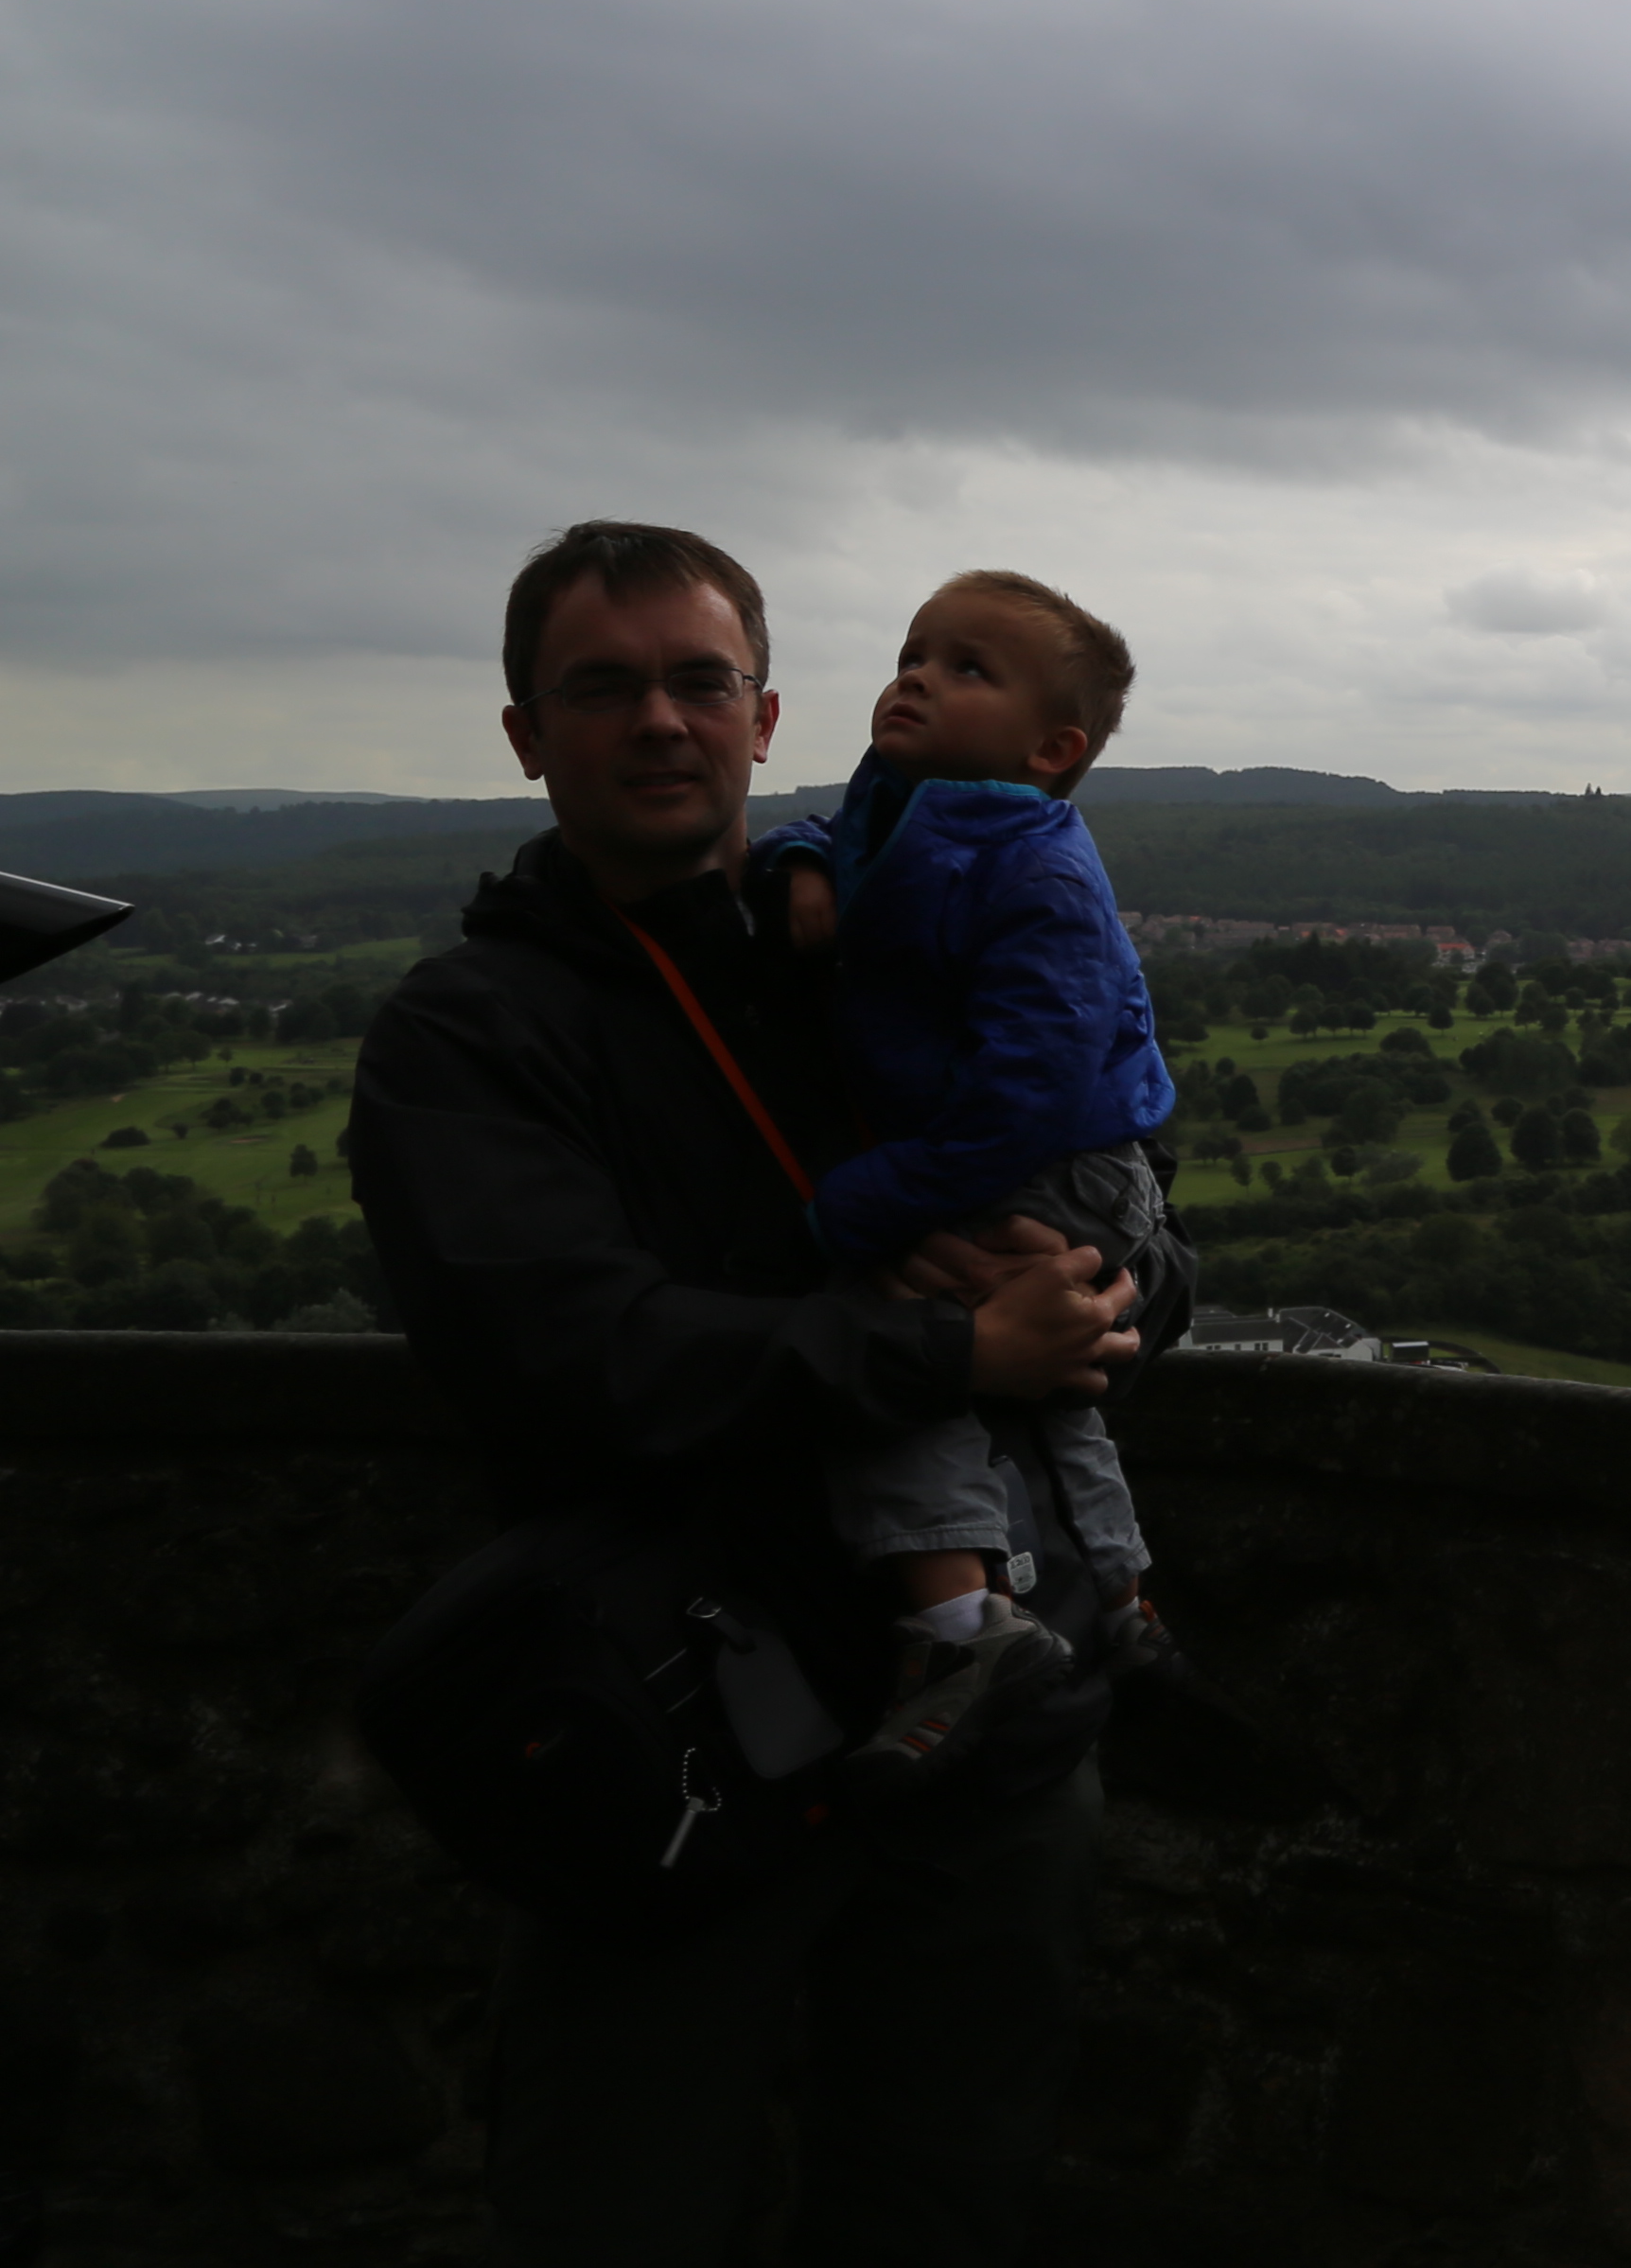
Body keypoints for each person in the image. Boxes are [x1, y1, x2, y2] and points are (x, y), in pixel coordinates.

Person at [352, 520, 1168, 2267]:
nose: (661, 719)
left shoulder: (878, 954)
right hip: (678, 1737)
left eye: (699, 680)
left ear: (764, 711)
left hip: (986, 1735)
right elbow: (574, 1355)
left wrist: (1099, 1287)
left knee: (946, 2198)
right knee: (617, 2207)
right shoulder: (475, 1031)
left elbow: (1120, 1219)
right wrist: (951, 1350)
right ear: (525, 734)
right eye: (604, 685)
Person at [758, 569, 1188, 1774]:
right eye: (913, 650)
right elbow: (838, 839)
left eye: (965, 669)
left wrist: (865, 1207)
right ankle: (1118, 1599)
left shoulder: (1039, 873)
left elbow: (1026, 1094)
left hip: (1060, 1160)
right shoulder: (907, 799)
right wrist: (795, 869)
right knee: (1040, 1382)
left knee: (898, 1332)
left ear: (1053, 748)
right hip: (1025, 1149)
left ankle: (958, 1621)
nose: (916, 676)